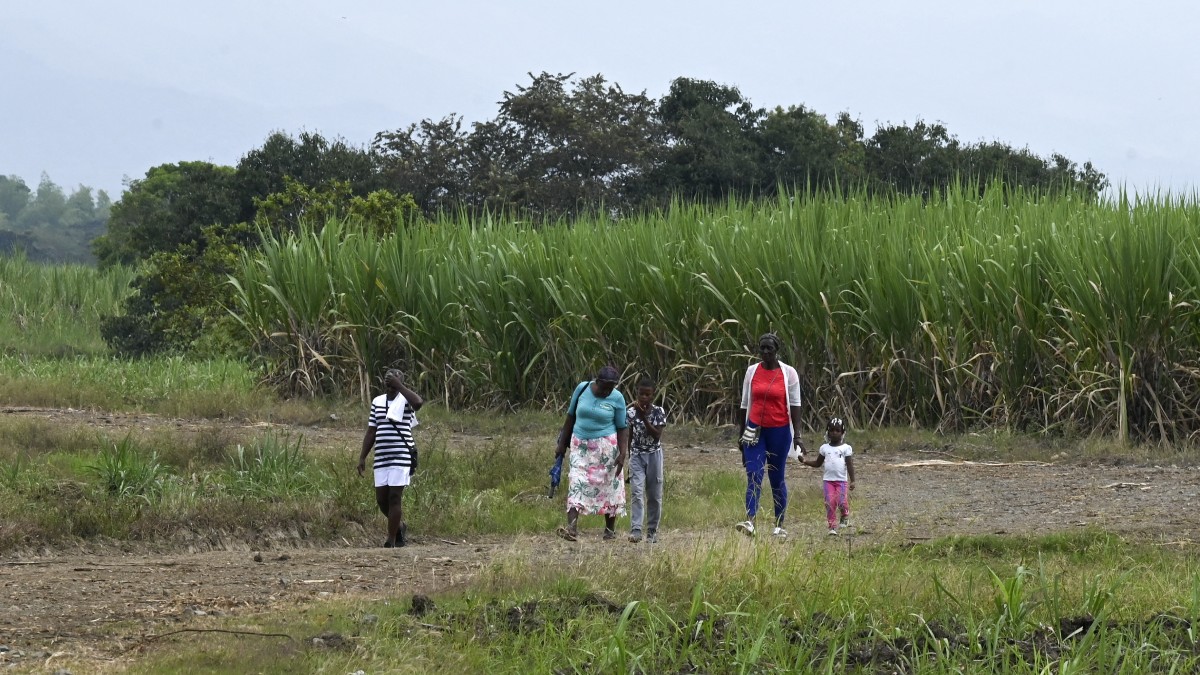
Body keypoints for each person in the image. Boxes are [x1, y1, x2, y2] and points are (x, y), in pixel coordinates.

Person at [735, 333, 806, 538]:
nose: (765, 352)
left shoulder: (789, 374)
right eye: (762, 348)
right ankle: (750, 521)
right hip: (754, 430)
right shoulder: (751, 372)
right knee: (754, 474)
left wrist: (798, 436)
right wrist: (741, 435)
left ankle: (779, 524)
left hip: (779, 430)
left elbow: (795, 405)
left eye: (770, 348)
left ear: (777, 350)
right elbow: (744, 404)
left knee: (776, 478)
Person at [554, 365, 630, 541]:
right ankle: (571, 529)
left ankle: (609, 531)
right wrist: (561, 444)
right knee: (576, 482)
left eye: (611, 388)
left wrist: (622, 453)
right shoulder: (581, 389)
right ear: (597, 381)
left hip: (606, 448)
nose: (607, 392)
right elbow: (570, 417)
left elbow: (622, 427)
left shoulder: (617, 398)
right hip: (580, 446)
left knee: (610, 486)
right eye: (604, 388)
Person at [357, 369, 424, 548]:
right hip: (382, 456)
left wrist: (400, 386)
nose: (392, 378)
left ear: (401, 380)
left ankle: (391, 539)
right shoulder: (377, 401)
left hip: (401, 454)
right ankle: (400, 526)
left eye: (397, 376)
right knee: (381, 499)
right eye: (390, 376)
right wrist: (362, 457)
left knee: (395, 496)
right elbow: (372, 430)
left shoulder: (407, 400)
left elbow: (418, 403)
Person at [626, 376, 667, 543]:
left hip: (654, 455)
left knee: (654, 495)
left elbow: (656, 436)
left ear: (652, 395)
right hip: (636, 455)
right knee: (636, 491)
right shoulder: (630, 413)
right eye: (640, 394)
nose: (643, 398)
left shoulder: (659, 412)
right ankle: (636, 529)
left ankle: (652, 531)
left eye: (647, 395)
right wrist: (629, 457)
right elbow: (628, 436)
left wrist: (644, 417)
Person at [801, 417, 855, 535]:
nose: (834, 433)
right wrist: (805, 461)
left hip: (841, 481)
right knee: (830, 503)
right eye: (831, 430)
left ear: (842, 432)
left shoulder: (846, 448)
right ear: (827, 432)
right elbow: (817, 463)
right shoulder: (824, 448)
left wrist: (853, 481)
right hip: (828, 481)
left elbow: (849, 465)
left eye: (837, 430)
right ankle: (832, 527)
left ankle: (845, 515)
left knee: (841, 501)